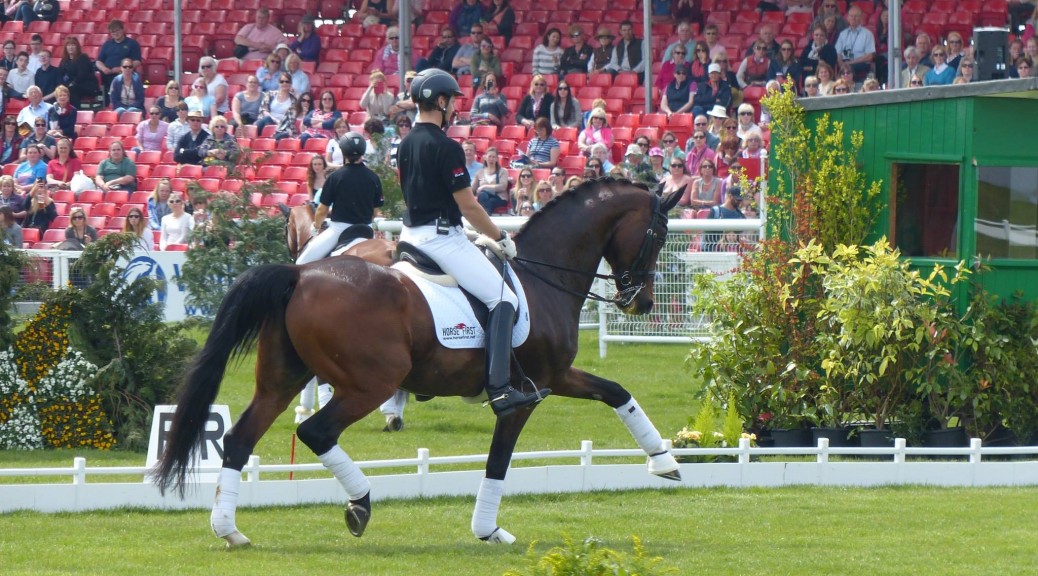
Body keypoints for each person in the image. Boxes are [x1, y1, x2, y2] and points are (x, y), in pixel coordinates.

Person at [397, 68, 550, 418]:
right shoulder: (447, 147)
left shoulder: (405, 143)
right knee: (503, 298)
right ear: (439, 101)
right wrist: (498, 236)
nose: (453, 108)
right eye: (450, 101)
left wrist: (465, 231)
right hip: (440, 239)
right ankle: (499, 390)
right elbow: (468, 204)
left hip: (410, 236)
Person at [296, 131, 384, 265]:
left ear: (343, 152)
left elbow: (322, 210)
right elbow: (376, 211)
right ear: (362, 152)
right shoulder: (374, 177)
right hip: (366, 230)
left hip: (339, 229)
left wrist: (316, 226)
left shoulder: (335, 177)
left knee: (301, 264)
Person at [96, 20, 141, 107]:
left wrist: (121, 69)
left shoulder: (132, 43)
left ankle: (118, 105)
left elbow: (137, 61)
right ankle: (105, 106)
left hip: (125, 73)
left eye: (117, 30)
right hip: (107, 73)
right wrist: (103, 68)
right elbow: (98, 61)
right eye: (112, 32)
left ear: (122, 30)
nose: (115, 33)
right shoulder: (107, 44)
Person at [834, 6, 875, 83]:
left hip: (859, 64)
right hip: (844, 64)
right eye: (851, 16)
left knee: (849, 69)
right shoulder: (843, 34)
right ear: (848, 17)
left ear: (861, 18)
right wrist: (842, 65)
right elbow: (838, 53)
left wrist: (850, 63)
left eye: (856, 16)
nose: (853, 18)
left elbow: (869, 56)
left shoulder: (867, 34)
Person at [59, 37, 99, 109]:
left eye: (73, 45)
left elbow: (82, 75)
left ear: (77, 47)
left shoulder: (83, 57)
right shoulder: (64, 60)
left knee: (72, 89)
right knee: (59, 89)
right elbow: (60, 73)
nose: (70, 47)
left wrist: (70, 84)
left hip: (87, 86)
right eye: (68, 45)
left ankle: (75, 112)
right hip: (71, 85)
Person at [704, 185, 745, 251]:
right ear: (730, 196)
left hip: (734, 253)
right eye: (737, 200)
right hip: (715, 252)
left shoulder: (740, 215)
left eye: (740, 200)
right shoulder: (715, 211)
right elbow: (707, 235)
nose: (739, 202)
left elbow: (742, 235)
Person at [473, 147, 509, 214]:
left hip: (499, 197)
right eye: (489, 156)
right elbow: (473, 189)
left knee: (487, 200)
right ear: (485, 158)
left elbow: (503, 187)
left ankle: (485, 218)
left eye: (494, 157)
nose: (491, 159)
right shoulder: (479, 173)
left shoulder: (503, 171)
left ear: (497, 159)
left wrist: (484, 187)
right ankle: (487, 216)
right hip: (483, 197)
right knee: (483, 195)